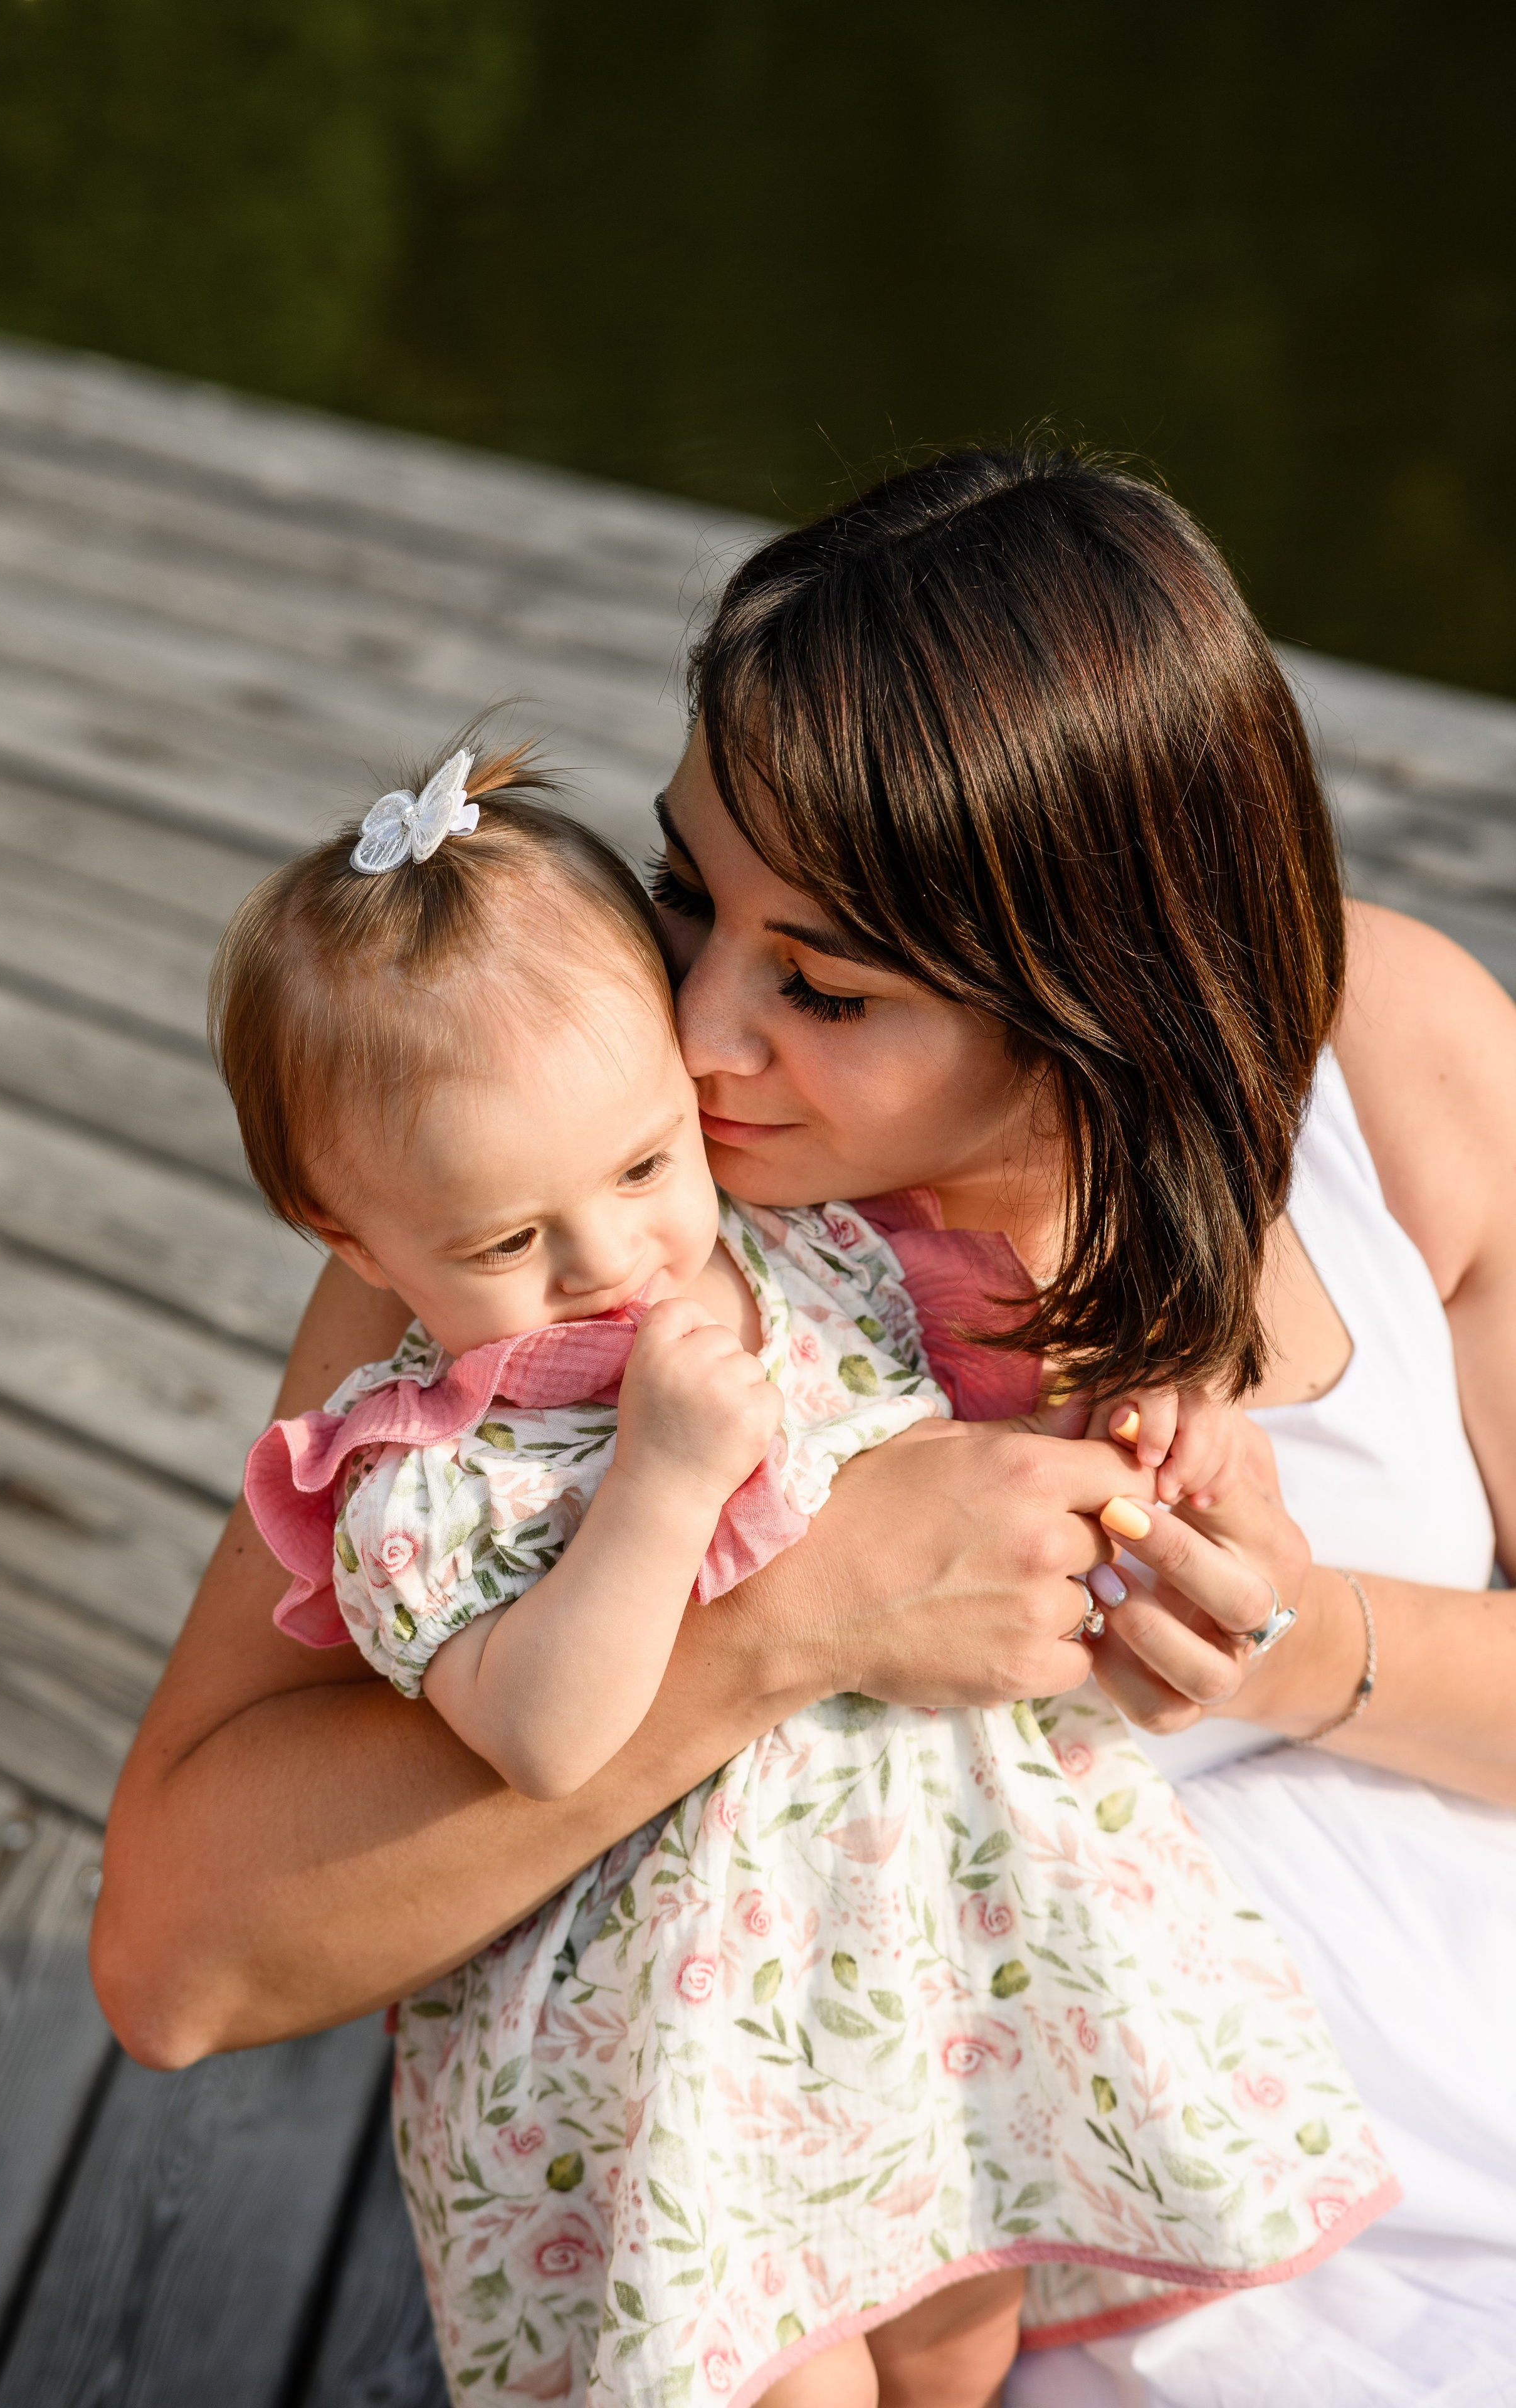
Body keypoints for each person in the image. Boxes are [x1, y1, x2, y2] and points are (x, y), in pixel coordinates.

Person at [92, 448, 1516, 2407]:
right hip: (963, 2254)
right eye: (688, 892)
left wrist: (1298, 1637)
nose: (689, 1031)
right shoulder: (573, 1231)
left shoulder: (1393, 1064)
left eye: (823, 986)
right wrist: (784, 1628)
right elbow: (180, 1958)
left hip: (1399, 2114)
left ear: (1096, 985)